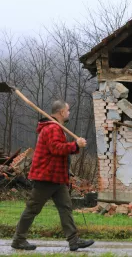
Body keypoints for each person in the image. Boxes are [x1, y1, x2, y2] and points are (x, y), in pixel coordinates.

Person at [11, 100, 95, 251]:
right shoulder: (52, 128)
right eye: (68, 110)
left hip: (56, 177)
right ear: (62, 112)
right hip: (46, 177)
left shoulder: (57, 128)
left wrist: (74, 147)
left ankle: (74, 240)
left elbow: (59, 150)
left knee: (65, 207)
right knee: (32, 209)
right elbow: (56, 148)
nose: (69, 113)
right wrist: (76, 145)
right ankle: (18, 240)